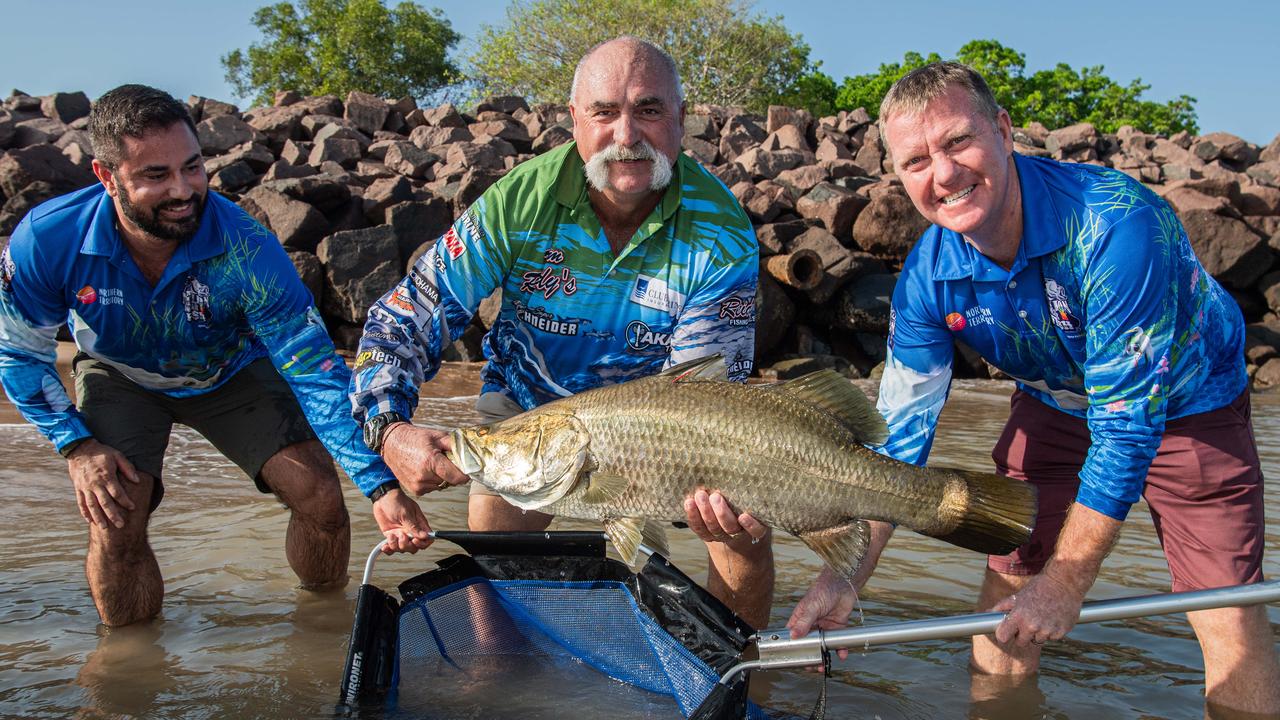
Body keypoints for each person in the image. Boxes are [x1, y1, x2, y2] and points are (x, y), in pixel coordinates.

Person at [762, 61, 1280, 714]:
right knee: (1009, 587)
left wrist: (1067, 582)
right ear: (896, 173)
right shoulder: (928, 276)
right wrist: (842, 579)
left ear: (1003, 131)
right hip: (1055, 399)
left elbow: (1127, 430)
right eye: (917, 160)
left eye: (958, 142)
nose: (944, 175)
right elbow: (897, 445)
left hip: (1189, 400)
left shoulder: (1116, 227)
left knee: (1223, 606)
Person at [349, 36, 775, 627]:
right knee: (495, 545)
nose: (627, 135)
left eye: (649, 110)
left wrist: (670, 483)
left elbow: (701, 392)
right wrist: (390, 428)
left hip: (658, 429)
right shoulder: (518, 203)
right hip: (526, 413)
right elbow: (404, 318)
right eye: (604, 112)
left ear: (682, 120)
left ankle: (734, 680)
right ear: (574, 120)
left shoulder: (721, 233)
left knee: (742, 534)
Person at [0, 85, 399, 627]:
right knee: (116, 516)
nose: (184, 190)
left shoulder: (247, 249)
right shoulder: (46, 241)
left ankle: (323, 622)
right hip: (119, 374)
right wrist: (77, 446)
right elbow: (20, 355)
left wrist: (379, 484)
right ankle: (129, 667)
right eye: (155, 176)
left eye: (192, 167)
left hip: (230, 369)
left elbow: (315, 373)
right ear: (105, 175)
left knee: (321, 495)